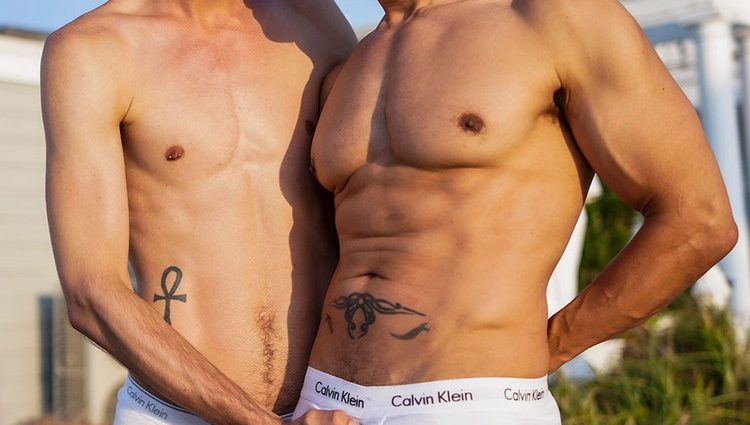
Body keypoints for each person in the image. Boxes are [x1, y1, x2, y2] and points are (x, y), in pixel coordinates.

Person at [293, 0, 739, 423]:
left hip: (470, 403)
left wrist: (551, 347)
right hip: (322, 403)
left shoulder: (553, 19)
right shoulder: (345, 69)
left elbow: (698, 221)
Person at [41, 1, 358, 424]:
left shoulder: (314, 19)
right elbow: (91, 291)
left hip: (328, 407)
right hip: (175, 413)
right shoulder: (92, 49)